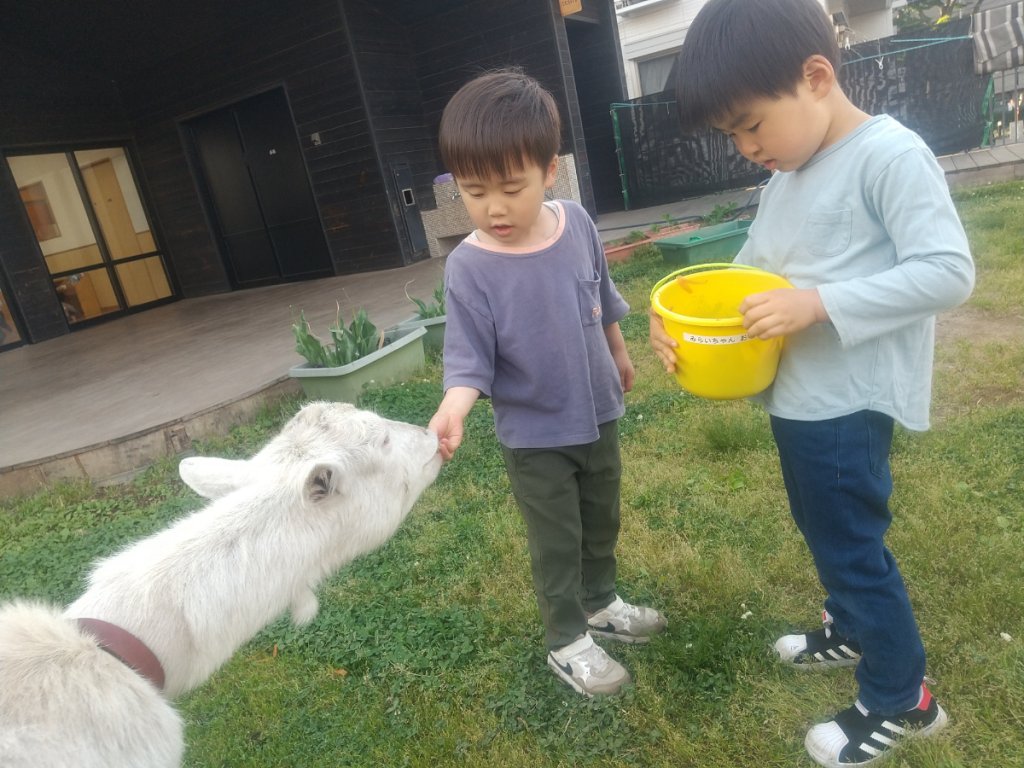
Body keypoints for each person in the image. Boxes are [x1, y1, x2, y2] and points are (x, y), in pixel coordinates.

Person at [650, 0, 975, 764]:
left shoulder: (888, 156)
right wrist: (680, 320)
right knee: (823, 529)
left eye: (751, 125)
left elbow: (947, 272)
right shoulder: (788, 175)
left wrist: (818, 303)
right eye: (731, 135)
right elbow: (749, 273)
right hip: (801, 400)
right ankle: (851, 628)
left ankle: (903, 698)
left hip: (848, 402)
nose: (745, 147)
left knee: (852, 546)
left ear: (817, 77)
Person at [428, 68, 667, 698]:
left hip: (598, 412)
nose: (494, 208)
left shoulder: (577, 224)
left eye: (512, 188)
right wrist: (454, 407)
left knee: (601, 518)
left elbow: (601, 296)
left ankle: (601, 602)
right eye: (474, 192)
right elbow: (468, 357)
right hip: (535, 435)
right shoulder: (470, 267)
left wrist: (618, 351)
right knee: (557, 539)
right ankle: (567, 639)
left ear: (549, 172)